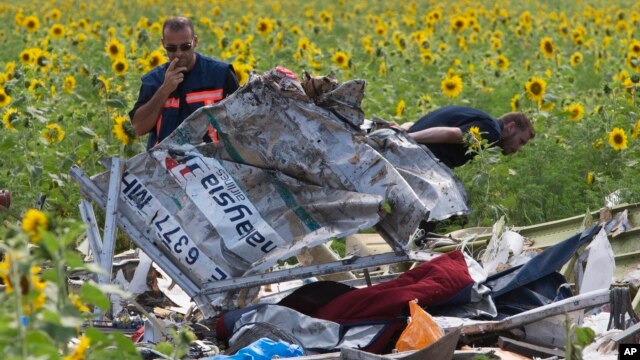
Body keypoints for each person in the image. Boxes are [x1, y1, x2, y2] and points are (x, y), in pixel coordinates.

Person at [130, 16, 239, 149]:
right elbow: (138, 128)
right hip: (165, 163)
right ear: (163, 44)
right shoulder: (153, 80)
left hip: (214, 160)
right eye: (171, 48)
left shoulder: (221, 74)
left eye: (185, 47)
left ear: (195, 41)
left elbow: (242, 121)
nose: (179, 53)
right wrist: (164, 89)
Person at [407, 106, 534, 168]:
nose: (520, 148)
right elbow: (452, 133)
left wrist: (405, 130)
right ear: (510, 127)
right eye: (521, 141)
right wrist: (407, 137)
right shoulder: (491, 132)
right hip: (415, 160)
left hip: (412, 155)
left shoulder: (482, 119)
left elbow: (424, 124)